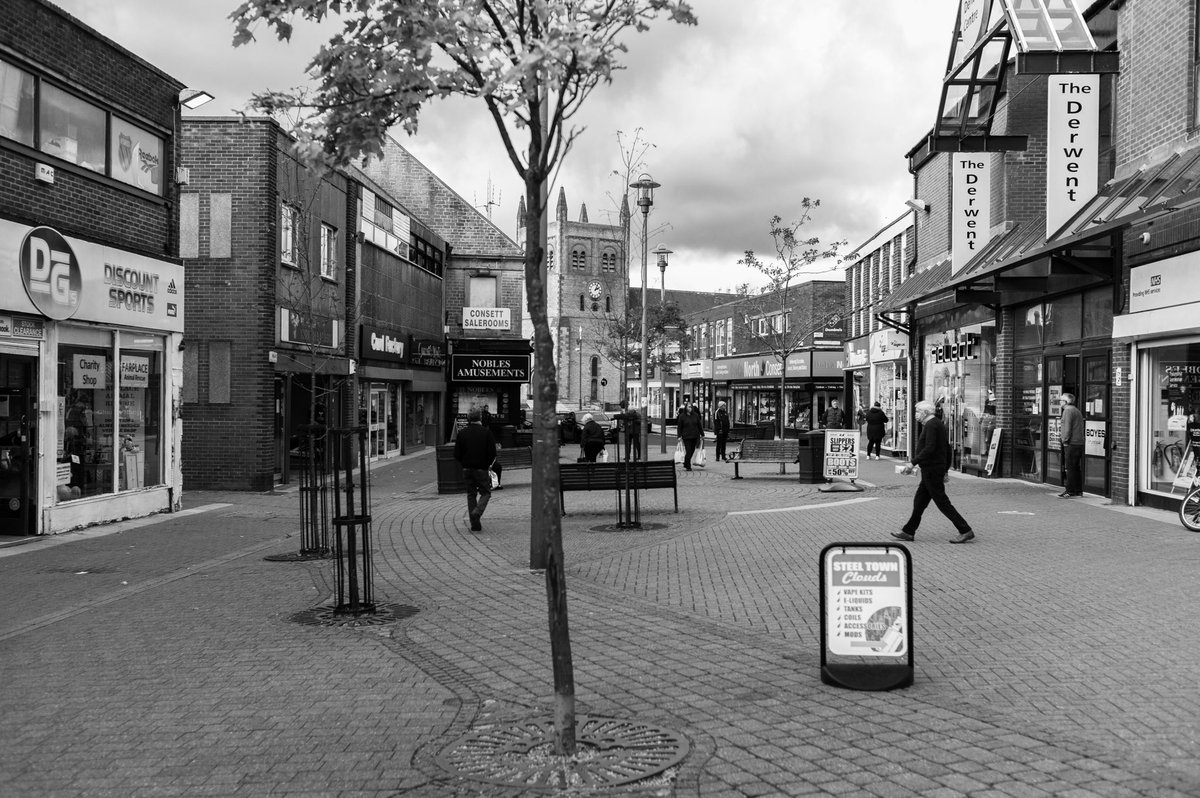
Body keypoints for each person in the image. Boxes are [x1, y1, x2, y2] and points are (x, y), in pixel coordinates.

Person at [892, 400, 975, 544]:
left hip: (932, 470)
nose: (916, 415)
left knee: (942, 502)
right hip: (932, 470)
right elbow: (947, 448)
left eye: (918, 412)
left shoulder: (931, 425)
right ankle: (908, 531)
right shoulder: (936, 424)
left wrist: (912, 463)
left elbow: (929, 448)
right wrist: (946, 470)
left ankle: (965, 530)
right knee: (919, 502)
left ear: (925, 413)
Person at [453, 408, 497, 532]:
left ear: (468, 419)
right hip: (481, 468)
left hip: (467, 468)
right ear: (480, 418)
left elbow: (457, 453)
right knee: (486, 492)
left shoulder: (462, 433)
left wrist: (464, 463)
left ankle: (475, 524)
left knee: (471, 494)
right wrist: (486, 464)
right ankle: (477, 512)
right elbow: (492, 453)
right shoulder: (486, 432)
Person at [1059, 392, 1085, 498]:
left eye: (1061, 400)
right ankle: (1078, 490)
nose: (1059, 402)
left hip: (1071, 443)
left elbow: (1067, 427)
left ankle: (1070, 490)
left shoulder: (1068, 411)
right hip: (1079, 442)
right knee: (1075, 467)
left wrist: (1064, 440)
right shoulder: (1076, 410)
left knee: (1070, 467)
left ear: (1066, 402)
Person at [676, 403, 703, 471]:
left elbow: (699, 425)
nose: (690, 408)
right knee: (688, 451)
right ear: (686, 408)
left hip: (695, 435)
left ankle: (686, 462)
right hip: (686, 436)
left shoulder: (695, 415)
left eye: (691, 407)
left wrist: (702, 434)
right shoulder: (682, 416)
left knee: (692, 450)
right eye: (689, 407)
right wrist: (679, 436)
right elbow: (679, 427)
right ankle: (688, 466)